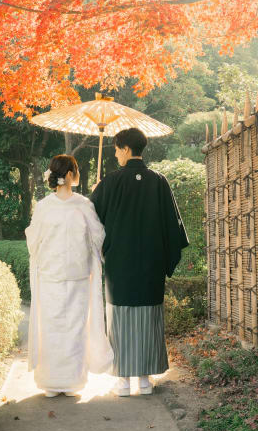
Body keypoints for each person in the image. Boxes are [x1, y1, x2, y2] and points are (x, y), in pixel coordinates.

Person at [90, 127, 189, 396]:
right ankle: (144, 379)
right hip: (150, 263)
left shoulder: (110, 181)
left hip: (119, 265)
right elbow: (173, 226)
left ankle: (122, 380)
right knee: (148, 316)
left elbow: (91, 219)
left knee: (120, 318)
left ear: (124, 149)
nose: (115, 155)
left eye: (116, 149)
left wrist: (97, 192)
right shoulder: (159, 181)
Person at [25, 154, 113, 397]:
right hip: (76, 274)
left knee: (52, 327)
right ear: (72, 174)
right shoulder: (84, 205)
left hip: (52, 275)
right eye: (77, 169)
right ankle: (71, 382)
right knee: (74, 328)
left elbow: (33, 241)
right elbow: (98, 238)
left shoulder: (44, 207)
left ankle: (52, 383)